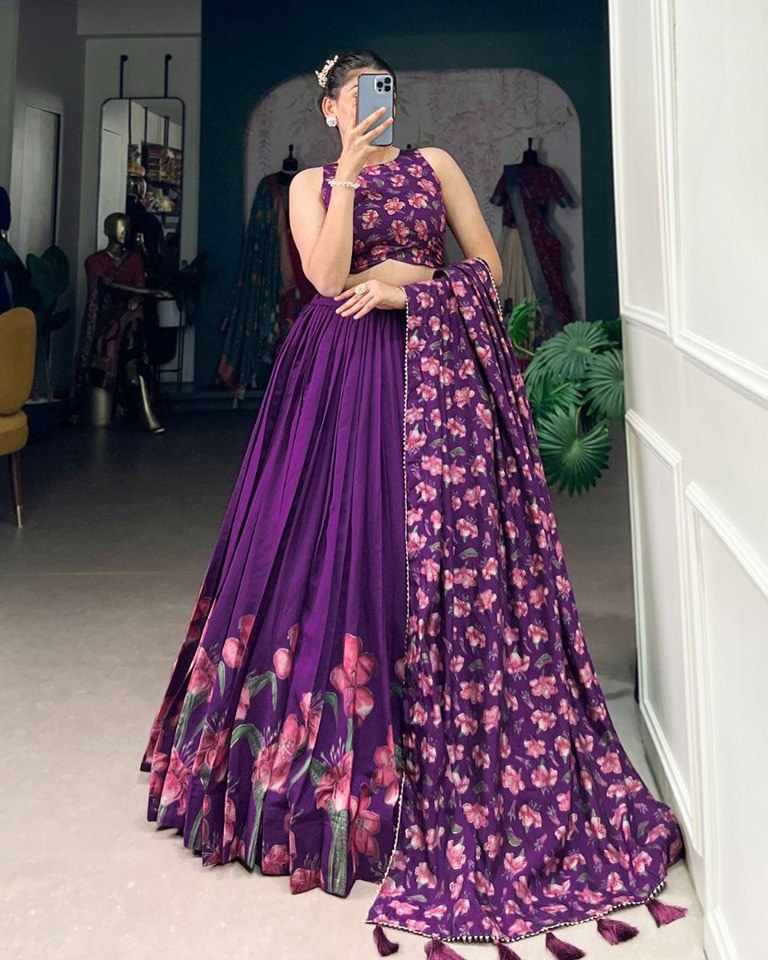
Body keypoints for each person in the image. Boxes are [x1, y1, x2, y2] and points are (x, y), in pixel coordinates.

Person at [139, 50, 687, 958]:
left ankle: (440, 730)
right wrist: (350, 174)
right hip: (336, 381)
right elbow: (324, 280)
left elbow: (487, 270)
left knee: (431, 552)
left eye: (380, 93)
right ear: (328, 109)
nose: (369, 107)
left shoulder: (435, 166)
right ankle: (344, 772)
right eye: (352, 97)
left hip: (434, 375)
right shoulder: (311, 184)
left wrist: (406, 288)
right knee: (330, 547)